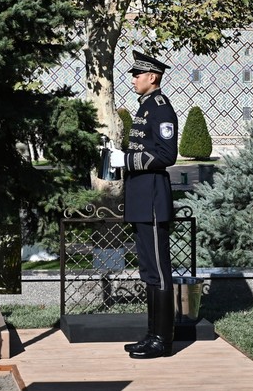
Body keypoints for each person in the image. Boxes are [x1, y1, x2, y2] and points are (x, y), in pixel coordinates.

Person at [109, 50, 178, 359]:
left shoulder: (161, 108)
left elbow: (166, 155)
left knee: (159, 271)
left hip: (151, 196)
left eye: (138, 74)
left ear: (153, 77)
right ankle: (152, 335)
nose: (133, 78)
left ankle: (163, 341)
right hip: (141, 195)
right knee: (148, 269)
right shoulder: (146, 107)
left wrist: (126, 159)